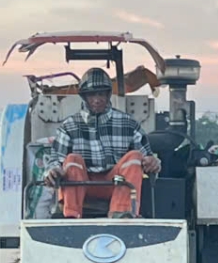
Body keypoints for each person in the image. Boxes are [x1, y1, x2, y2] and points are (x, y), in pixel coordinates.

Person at [43, 67, 161, 218]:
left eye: (101, 94)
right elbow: (55, 160)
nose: (97, 99)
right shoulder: (69, 126)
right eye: (92, 94)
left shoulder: (128, 124)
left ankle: (122, 214)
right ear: (84, 96)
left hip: (116, 185)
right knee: (72, 160)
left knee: (135, 156)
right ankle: (71, 216)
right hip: (82, 185)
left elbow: (148, 158)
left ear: (108, 94)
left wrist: (152, 162)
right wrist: (53, 171)